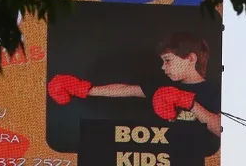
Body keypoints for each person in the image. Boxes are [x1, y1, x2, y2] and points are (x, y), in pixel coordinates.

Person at [47, 32, 221, 136]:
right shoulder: (161, 86)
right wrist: (85, 89)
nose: (163, 67)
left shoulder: (213, 90)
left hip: (193, 163)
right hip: (157, 157)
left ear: (190, 58)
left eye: (168, 60)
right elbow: (126, 90)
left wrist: (191, 104)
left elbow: (219, 129)